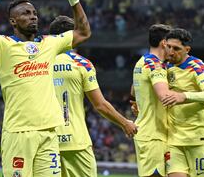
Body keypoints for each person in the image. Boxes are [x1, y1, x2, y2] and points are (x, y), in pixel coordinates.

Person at [0, 0, 91, 177]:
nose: (32, 16)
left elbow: (84, 32)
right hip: (18, 133)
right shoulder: (2, 45)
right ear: (13, 21)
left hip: (49, 132)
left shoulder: (49, 43)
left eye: (34, 13)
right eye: (25, 13)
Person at [49, 15, 138, 177]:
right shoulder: (81, 64)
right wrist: (125, 123)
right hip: (76, 142)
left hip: (46, 143)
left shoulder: (40, 63)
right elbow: (100, 105)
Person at [161, 28, 204, 177]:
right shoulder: (165, 67)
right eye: (169, 47)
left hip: (197, 139)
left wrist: (184, 96)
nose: (171, 52)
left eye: (176, 48)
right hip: (174, 139)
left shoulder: (196, 66)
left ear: (187, 49)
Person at [132, 24, 173, 177]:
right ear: (164, 43)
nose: (173, 50)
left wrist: (137, 102)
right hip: (153, 135)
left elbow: (133, 89)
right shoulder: (155, 65)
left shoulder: (142, 62)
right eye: (171, 45)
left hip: (149, 132)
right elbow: (164, 96)